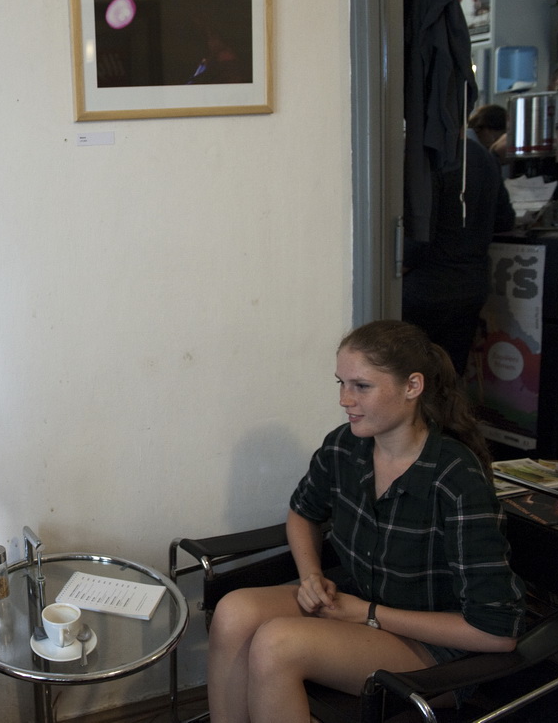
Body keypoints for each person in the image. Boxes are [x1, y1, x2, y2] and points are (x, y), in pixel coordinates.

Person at [205, 321, 524, 723]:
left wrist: (369, 614)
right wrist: (311, 576)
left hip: (439, 648)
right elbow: (303, 512)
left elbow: (497, 633)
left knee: (276, 645)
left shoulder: (456, 477)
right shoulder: (345, 446)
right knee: (232, 612)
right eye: (341, 383)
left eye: (361, 386)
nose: (345, 399)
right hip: (362, 603)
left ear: (412, 387)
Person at [402, 137, 515, 378]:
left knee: (410, 375)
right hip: (472, 286)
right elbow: (505, 220)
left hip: (425, 287)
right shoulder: (483, 154)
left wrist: (398, 265)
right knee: (450, 375)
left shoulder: (426, 154)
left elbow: (418, 237)